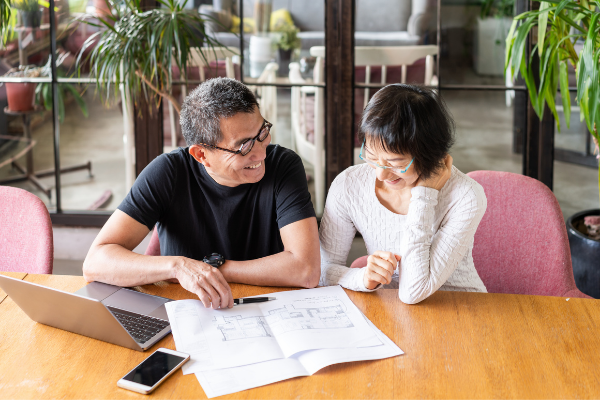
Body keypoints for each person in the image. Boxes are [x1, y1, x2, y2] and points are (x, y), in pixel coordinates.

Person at [83, 78, 320, 309]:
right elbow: (95, 263)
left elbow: (306, 270)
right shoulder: (168, 173)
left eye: (262, 133)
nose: (260, 154)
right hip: (187, 310)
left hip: (266, 308)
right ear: (201, 155)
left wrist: (212, 270)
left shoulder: (283, 166)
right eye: (244, 146)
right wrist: (177, 267)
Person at [318, 84, 487, 304]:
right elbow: (322, 271)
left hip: (462, 310)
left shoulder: (466, 197)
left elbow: (412, 292)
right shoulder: (349, 185)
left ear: (430, 153)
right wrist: (363, 278)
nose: (381, 174)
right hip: (393, 312)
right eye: (371, 155)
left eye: (396, 163)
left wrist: (425, 194)